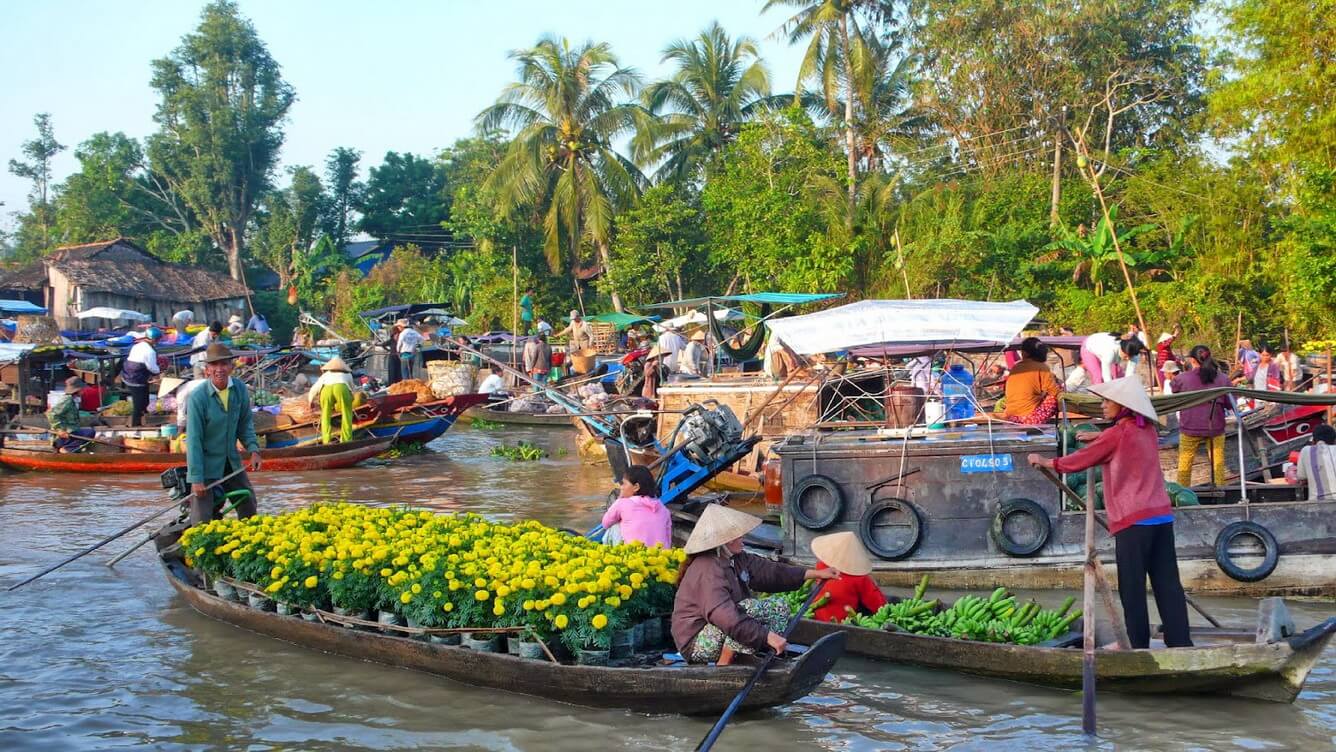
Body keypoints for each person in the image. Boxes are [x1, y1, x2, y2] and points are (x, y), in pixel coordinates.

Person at [1028, 376, 1192, 650]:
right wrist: (1099, 436)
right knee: (1168, 584)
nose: (1103, 406)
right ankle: (1181, 642)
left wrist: (1047, 461)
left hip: (1134, 521)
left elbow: (1082, 460)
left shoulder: (1118, 435)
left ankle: (1136, 644)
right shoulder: (1147, 429)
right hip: (1161, 518)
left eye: (1107, 401)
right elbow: (1117, 440)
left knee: (1132, 587)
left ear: (1123, 406)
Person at [671, 504, 837, 663]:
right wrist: (766, 636)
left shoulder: (737, 559)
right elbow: (725, 616)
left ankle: (754, 655)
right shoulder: (707, 568)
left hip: (724, 628)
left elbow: (771, 572)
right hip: (696, 641)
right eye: (738, 535)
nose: (743, 537)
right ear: (726, 541)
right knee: (748, 608)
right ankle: (725, 663)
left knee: (780, 606)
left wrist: (815, 573)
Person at [185, 343, 261, 524]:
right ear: (207, 370)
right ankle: (198, 547)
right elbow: (194, 440)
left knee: (248, 503)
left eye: (224, 364)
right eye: (214, 365)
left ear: (231, 367)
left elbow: (245, 424)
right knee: (202, 517)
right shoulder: (198, 397)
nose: (219, 369)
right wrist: (196, 479)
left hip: (230, 460)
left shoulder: (239, 389)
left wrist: (254, 449)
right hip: (206, 464)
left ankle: (249, 540)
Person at [1171, 345, 1233, 487]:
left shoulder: (1182, 379)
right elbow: (1230, 404)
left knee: (1184, 466)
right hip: (1215, 428)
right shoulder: (1223, 379)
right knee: (1218, 464)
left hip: (1190, 427)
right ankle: (1220, 494)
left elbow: (1174, 390)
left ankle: (1182, 495)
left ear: (1192, 360)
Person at [807, 531, 889, 623]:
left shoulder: (820, 566)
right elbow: (879, 606)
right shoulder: (860, 578)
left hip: (814, 618)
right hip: (843, 623)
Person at [600, 465, 671, 548]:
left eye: (624, 484)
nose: (621, 488)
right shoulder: (663, 508)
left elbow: (605, 523)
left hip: (635, 557)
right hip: (661, 557)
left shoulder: (623, 503)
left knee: (614, 527)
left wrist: (620, 498)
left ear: (636, 487)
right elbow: (668, 539)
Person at [1002, 337, 1062, 424]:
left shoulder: (1016, 367)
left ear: (1024, 353)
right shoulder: (1042, 367)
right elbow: (1053, 391)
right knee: (1058, 392)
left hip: (1010, 416)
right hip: (1029, 418)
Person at [307, 356, 356, 444]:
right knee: (347, 414)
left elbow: (315, 388)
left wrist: (310, 400)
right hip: (341, 388)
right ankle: (346, 440)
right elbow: (352, 389)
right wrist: (351, 399)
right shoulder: (347, 374)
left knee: (325, 415)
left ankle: (326, 440)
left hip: (326, 389)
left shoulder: (325, 375)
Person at [121, 327, 161, 427]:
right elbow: (152, 367)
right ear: (154, 339)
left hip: (128, 374)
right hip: (136, 378)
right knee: (138, 403)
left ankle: (145, 420)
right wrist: (159, 371)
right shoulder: (150, 351)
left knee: (144, 398)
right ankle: (135, 425)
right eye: (158, 340)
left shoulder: (137, 346)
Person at [46, 376, 94, 453]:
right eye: (82, 390)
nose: (83, 391)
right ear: (77, 390)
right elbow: (51, 414)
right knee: (90, 432)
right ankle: (67, 449)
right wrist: (60, 430)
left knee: (88, 432)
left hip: (70, 433)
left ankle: (69, 448)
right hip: (63, 437)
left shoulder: (72, 399)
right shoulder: (67, 400)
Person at [1080, 331, 1146, 385]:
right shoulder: (1109, 352)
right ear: (1121, 348)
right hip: (1089, 348)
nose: (1128, 359)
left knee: (1118, 376)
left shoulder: (1135, 354)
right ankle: (1098, 398)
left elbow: (1129, 376)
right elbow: (1106, 377)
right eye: (1126, 356)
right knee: (1099, 377)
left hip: (1107, 353)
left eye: (1130, 357)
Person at [1296, 424, 1336, 501]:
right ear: (1334, 441)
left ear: (1314, 441)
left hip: (1317, 505)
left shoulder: (1306, 451)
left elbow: (1301, 477)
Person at [386, 319, 407, 385]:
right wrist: (388, 350)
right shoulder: (393, 338)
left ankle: (399, 384)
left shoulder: (402, 336)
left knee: (399, 372)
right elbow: (384, 344)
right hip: (394, 356)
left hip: (399, 356)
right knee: (393, 372)